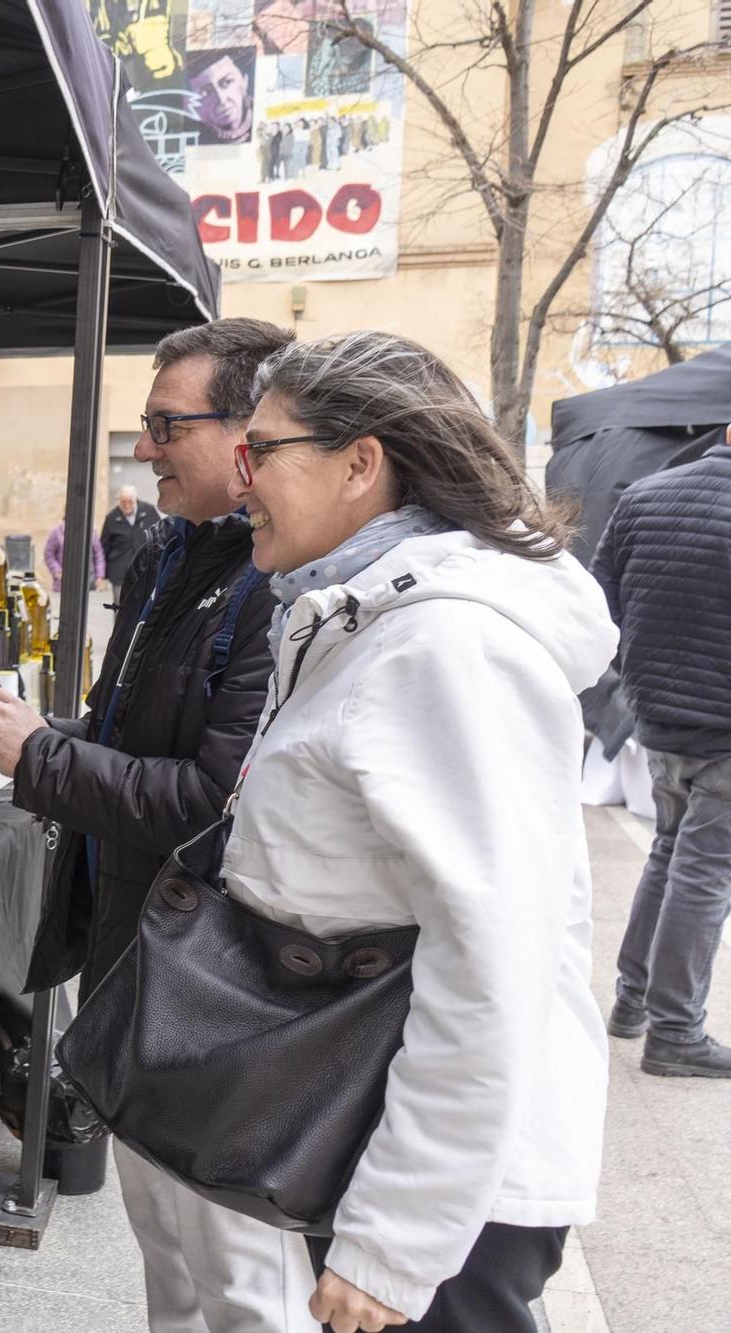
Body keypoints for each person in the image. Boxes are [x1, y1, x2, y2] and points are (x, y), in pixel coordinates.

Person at [216, 332, 614, 1331]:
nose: (239, 479)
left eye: (259, 451)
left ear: (360, 464)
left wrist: (394, 1242)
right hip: (370, 1120)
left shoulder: (445, 644)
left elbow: (489, 961)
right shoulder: (359, 614)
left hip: (442, 1189)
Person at [0, 318, 308, 1332]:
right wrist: (37, 736)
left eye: (166, 424)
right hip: (134, 956)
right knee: (165, 1253)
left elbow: (209, 798)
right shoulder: (169, 557)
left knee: (240, 1279)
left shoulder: (278, 586)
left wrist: (43, 756)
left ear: (250, 431)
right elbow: (126, 725)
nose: (145, 446)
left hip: (216, 982)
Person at [594, 422, 731, 1078]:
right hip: (722, 729)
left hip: (657, 717)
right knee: (703, 873)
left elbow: (599, 608)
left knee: (670, 853)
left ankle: (632, 1002)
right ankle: (676, 1030)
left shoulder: (645, 495)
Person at [188, 48, 255, 145]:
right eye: (206, 92)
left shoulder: (261, 119)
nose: (221, 99)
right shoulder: (194, 138)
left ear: (244, 81)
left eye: (227, 82)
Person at [100, 484, 160, 584]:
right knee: (120, 599)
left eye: (130, 502)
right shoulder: (111, 518)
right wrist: (102, 574)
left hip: (145, 570)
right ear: (118, 501)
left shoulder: (149, 511)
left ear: (135, 499)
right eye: (123, 502)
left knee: (143, 599)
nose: (127, 505)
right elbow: (104, 546)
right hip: (119, 572)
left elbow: (160, 536)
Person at [43, 517, 105, 591]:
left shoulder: (91, 532)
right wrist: (58, 572)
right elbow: (49, 555)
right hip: (64, 582)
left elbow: (98, 556)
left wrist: (99, 576)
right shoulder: (57, 532)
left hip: (88, 582)